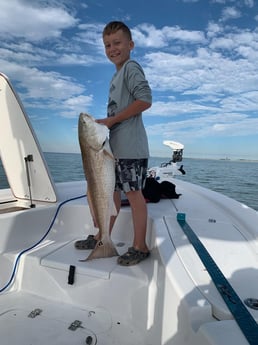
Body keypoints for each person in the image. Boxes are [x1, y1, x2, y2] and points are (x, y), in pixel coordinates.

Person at [75, 21, 152, 266]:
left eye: (117, 43)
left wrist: (112, 120)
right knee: (113, 195)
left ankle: (140, 246)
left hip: (131, 147)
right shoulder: (116, 75)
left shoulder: (131, 68)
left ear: (130, 45)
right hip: (115, 150)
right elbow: (117, 114)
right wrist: (105, 124)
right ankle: (101, 237)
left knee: (134, 193)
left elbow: (145, 100)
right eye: (107, 45)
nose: (112, 48)